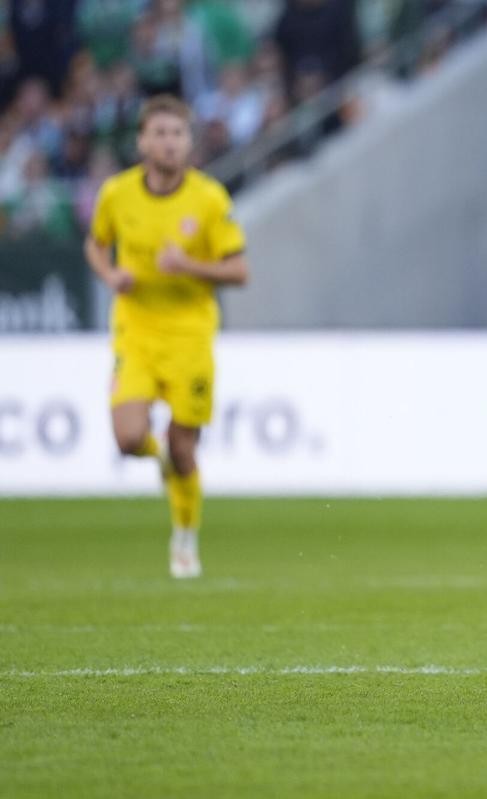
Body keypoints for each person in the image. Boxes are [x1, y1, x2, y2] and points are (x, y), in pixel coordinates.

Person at [84, 94, 248, 578]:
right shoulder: (117, 194)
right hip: (134, 331)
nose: (169, 143)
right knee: (130, 437)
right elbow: (96, 244)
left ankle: (184, 537)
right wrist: (110, 277)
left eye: (177, 134)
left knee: (183, 447)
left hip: (190, 336)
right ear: (141, 141)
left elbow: (239, 270)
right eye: (159, 133)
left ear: (190, 142)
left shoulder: (209, 198)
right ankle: (158, 464)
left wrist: (188, 265)